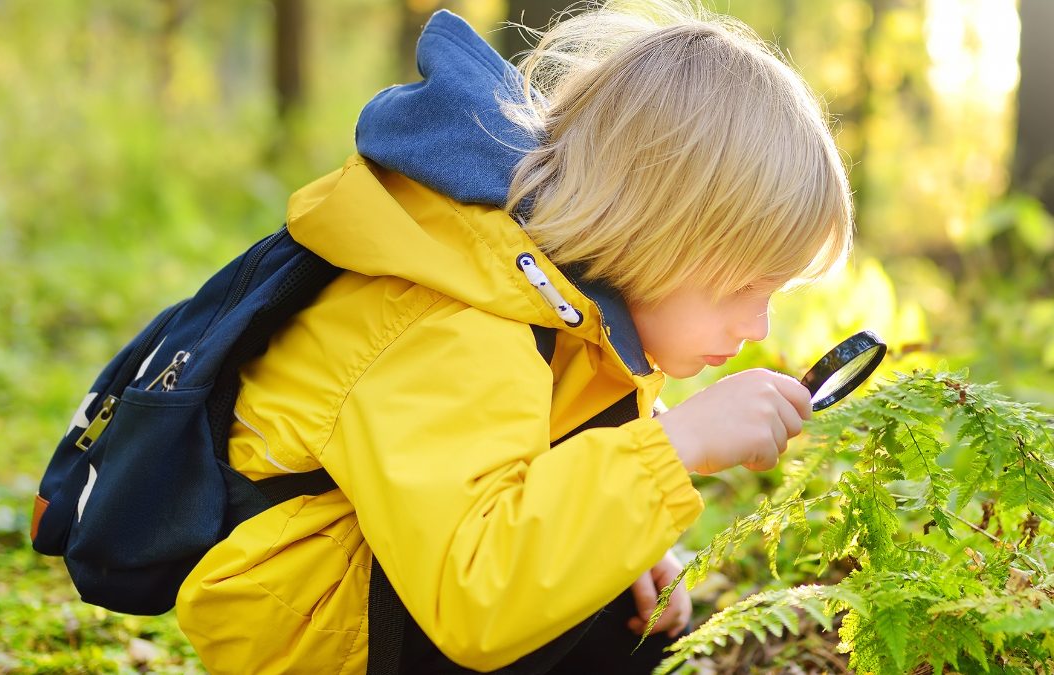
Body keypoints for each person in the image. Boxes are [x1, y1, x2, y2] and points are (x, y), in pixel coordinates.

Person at [175, 0, 852, 672]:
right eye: (742, 287)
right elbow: (476, 592)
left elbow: (531, 455)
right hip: (319, 628)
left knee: (624, 606)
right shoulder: (458, 321)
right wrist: (676, 447)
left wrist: (626, 544)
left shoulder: (563, 305)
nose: (756, 325)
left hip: (408, 578)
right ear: (653, 227)